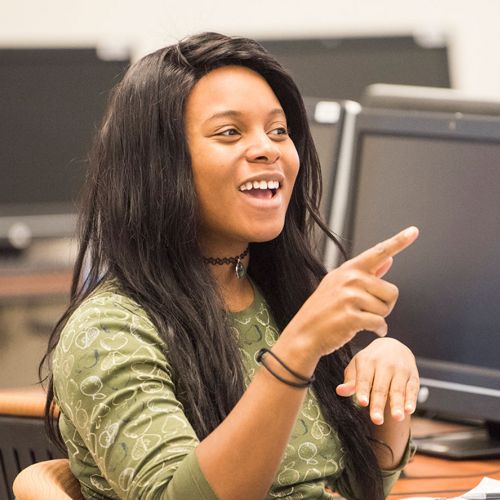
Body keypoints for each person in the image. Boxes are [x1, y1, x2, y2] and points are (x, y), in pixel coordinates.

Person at [41, 32, 420, 500]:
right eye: (229, 132)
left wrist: (390, 393)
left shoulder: (280, 293)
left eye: (278, 130)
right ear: (160, 164)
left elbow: (352, 489)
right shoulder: (108, 331)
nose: (268, 149)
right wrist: (297, 351)